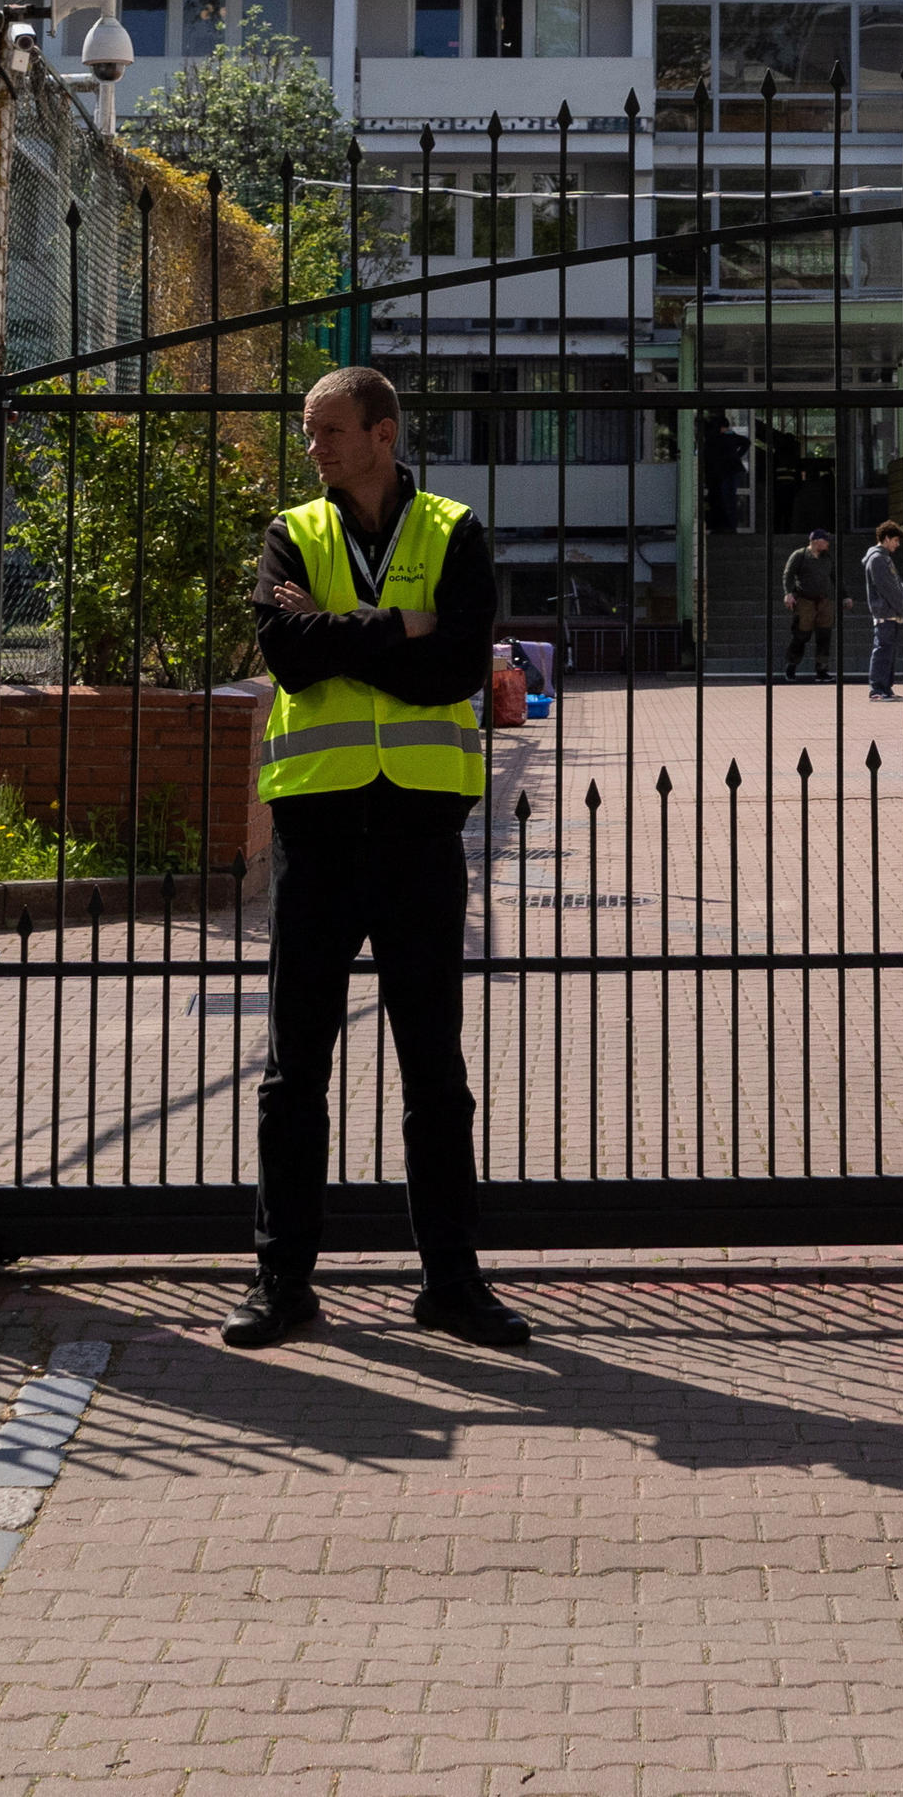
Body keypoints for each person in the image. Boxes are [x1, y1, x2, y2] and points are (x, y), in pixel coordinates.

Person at [226, 364, 528, 1354]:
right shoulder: (291, 529)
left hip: (416, 832)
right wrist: (396, 623)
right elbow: (285, 649)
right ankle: (282, 1285)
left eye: (329, 431)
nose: (313, 447)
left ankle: (451, 1283)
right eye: (309, 432)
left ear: (382, 431)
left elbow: (457, 665)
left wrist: (339, 630)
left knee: (434, 1070)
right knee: (293, 1071)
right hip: (313, 833)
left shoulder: (454, 528)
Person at [861, 518, 903, 704]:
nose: (897, 545)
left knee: (888, 651)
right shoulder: (877, 559)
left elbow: (897, 585)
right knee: (882, 650)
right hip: (885, 612)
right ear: (886, 538)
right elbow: (888, 588)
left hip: (892, 611)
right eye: (896, 540)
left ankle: (885, 687)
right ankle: (877, 689)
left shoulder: (884, 558)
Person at [776, 530, 837, 680]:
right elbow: (788, 574)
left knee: (824, 635)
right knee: (801, 634)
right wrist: (788, 593)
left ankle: (821, 670)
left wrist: (845, 596)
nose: (828, 543)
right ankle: (792, 664)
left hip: (824, 601)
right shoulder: (800, 555)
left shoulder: (827, 558)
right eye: (825, 540)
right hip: (805, 600)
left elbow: (835, 577)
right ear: (816, 541)